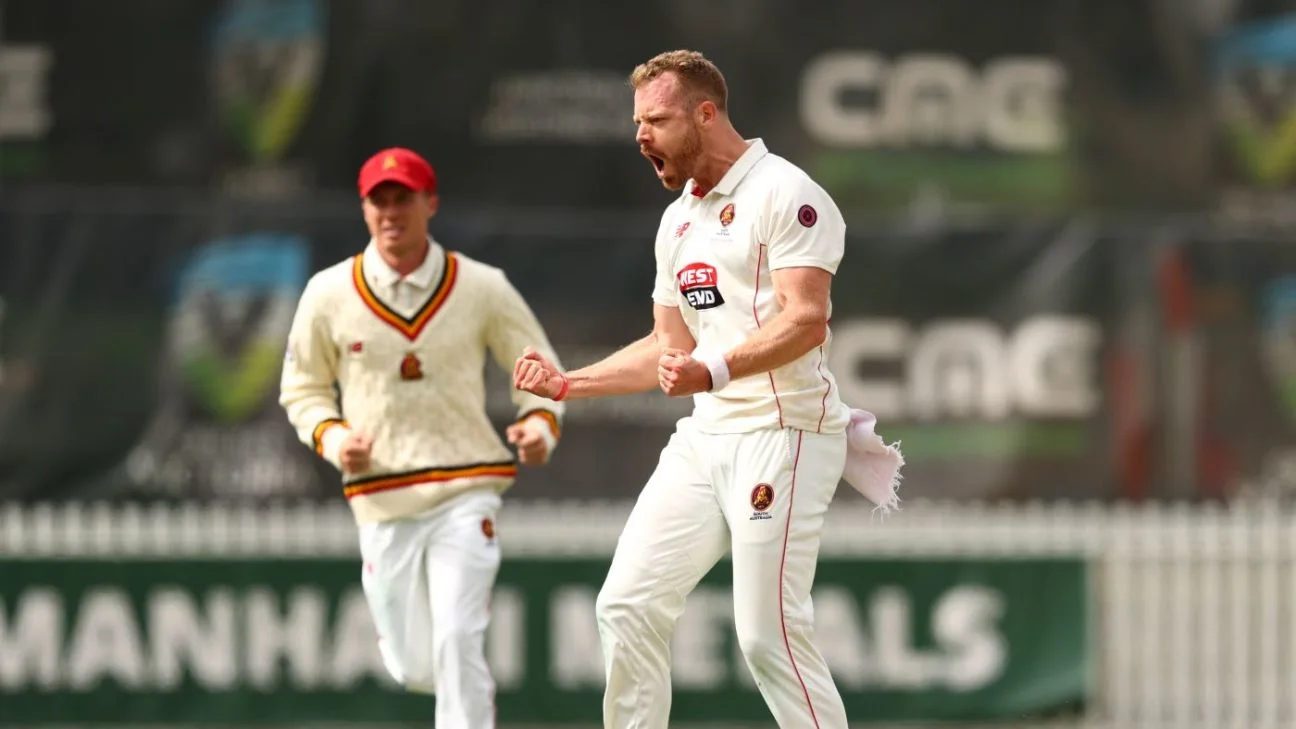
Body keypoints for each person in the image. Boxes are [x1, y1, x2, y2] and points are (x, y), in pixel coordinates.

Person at [513, 50, 902, 729]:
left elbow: (807, 321)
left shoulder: (787, 193)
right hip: (705, 438)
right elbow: (668, 347)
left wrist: (712, 370)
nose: (641, 136)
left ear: (705, 113)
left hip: (784, 435)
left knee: (767, 636)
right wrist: (568, 383)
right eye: (637, 123)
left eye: (656, 120)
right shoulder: (678, 221)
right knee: (626, 605)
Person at [281, 146, 566, 729]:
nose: (391, 212)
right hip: (382, 499)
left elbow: (541, 370)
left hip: (467, 489)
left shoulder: (482, 287)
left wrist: (540, 425)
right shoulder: (328, 293)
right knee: (414, 664)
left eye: (403, 199)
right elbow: (301, 388)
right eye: (379, 201)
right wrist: (333, 439)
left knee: (459, 637)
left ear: (430, 203)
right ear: (364, 209)